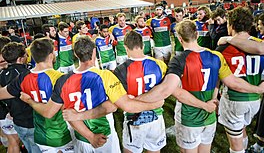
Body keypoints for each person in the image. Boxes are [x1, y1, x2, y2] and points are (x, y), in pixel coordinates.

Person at [135, 20, 264, 153]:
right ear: (197, 35)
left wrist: (135, 100)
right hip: (209, 118)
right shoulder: (216, 56)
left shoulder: (179, 59)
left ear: (180, 39)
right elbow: (232, 82)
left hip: (189, 119)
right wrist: (257, 89)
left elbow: (168, 90)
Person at [20, 36, 163, 152]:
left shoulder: (63, 80)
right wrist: (155, 103)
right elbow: (118, 106)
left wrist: (89, 136)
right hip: (104, 136)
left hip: (82, 138)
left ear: (75, 54)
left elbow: (68, 114)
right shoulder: (105, 76)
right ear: (94, 52)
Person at [0, 38, 74, 152]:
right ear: (51, 55)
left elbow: (2, 94)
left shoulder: (23, 78)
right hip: (62, 134)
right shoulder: (62, 78)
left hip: (41, 136)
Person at [216, 7, 264, 153]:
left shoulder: (224, 47)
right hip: (254, 100)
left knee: (236, 147)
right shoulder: (261, 44)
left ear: (231, 25)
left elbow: (218, 78)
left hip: (234, 99)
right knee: (241, 131)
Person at [113, 31, 167, 153]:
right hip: (156, 115)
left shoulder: (120, 70)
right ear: (143, 45)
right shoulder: (159, 64)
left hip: (134, 118)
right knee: (154, 150)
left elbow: (121, 101)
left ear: (125, 47)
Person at [0, 42, 41, 153]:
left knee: (29, 148)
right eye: (25, 55)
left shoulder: (2, 74)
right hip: (32, 121)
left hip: (18, 122)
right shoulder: (26, 73)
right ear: (20, 58)